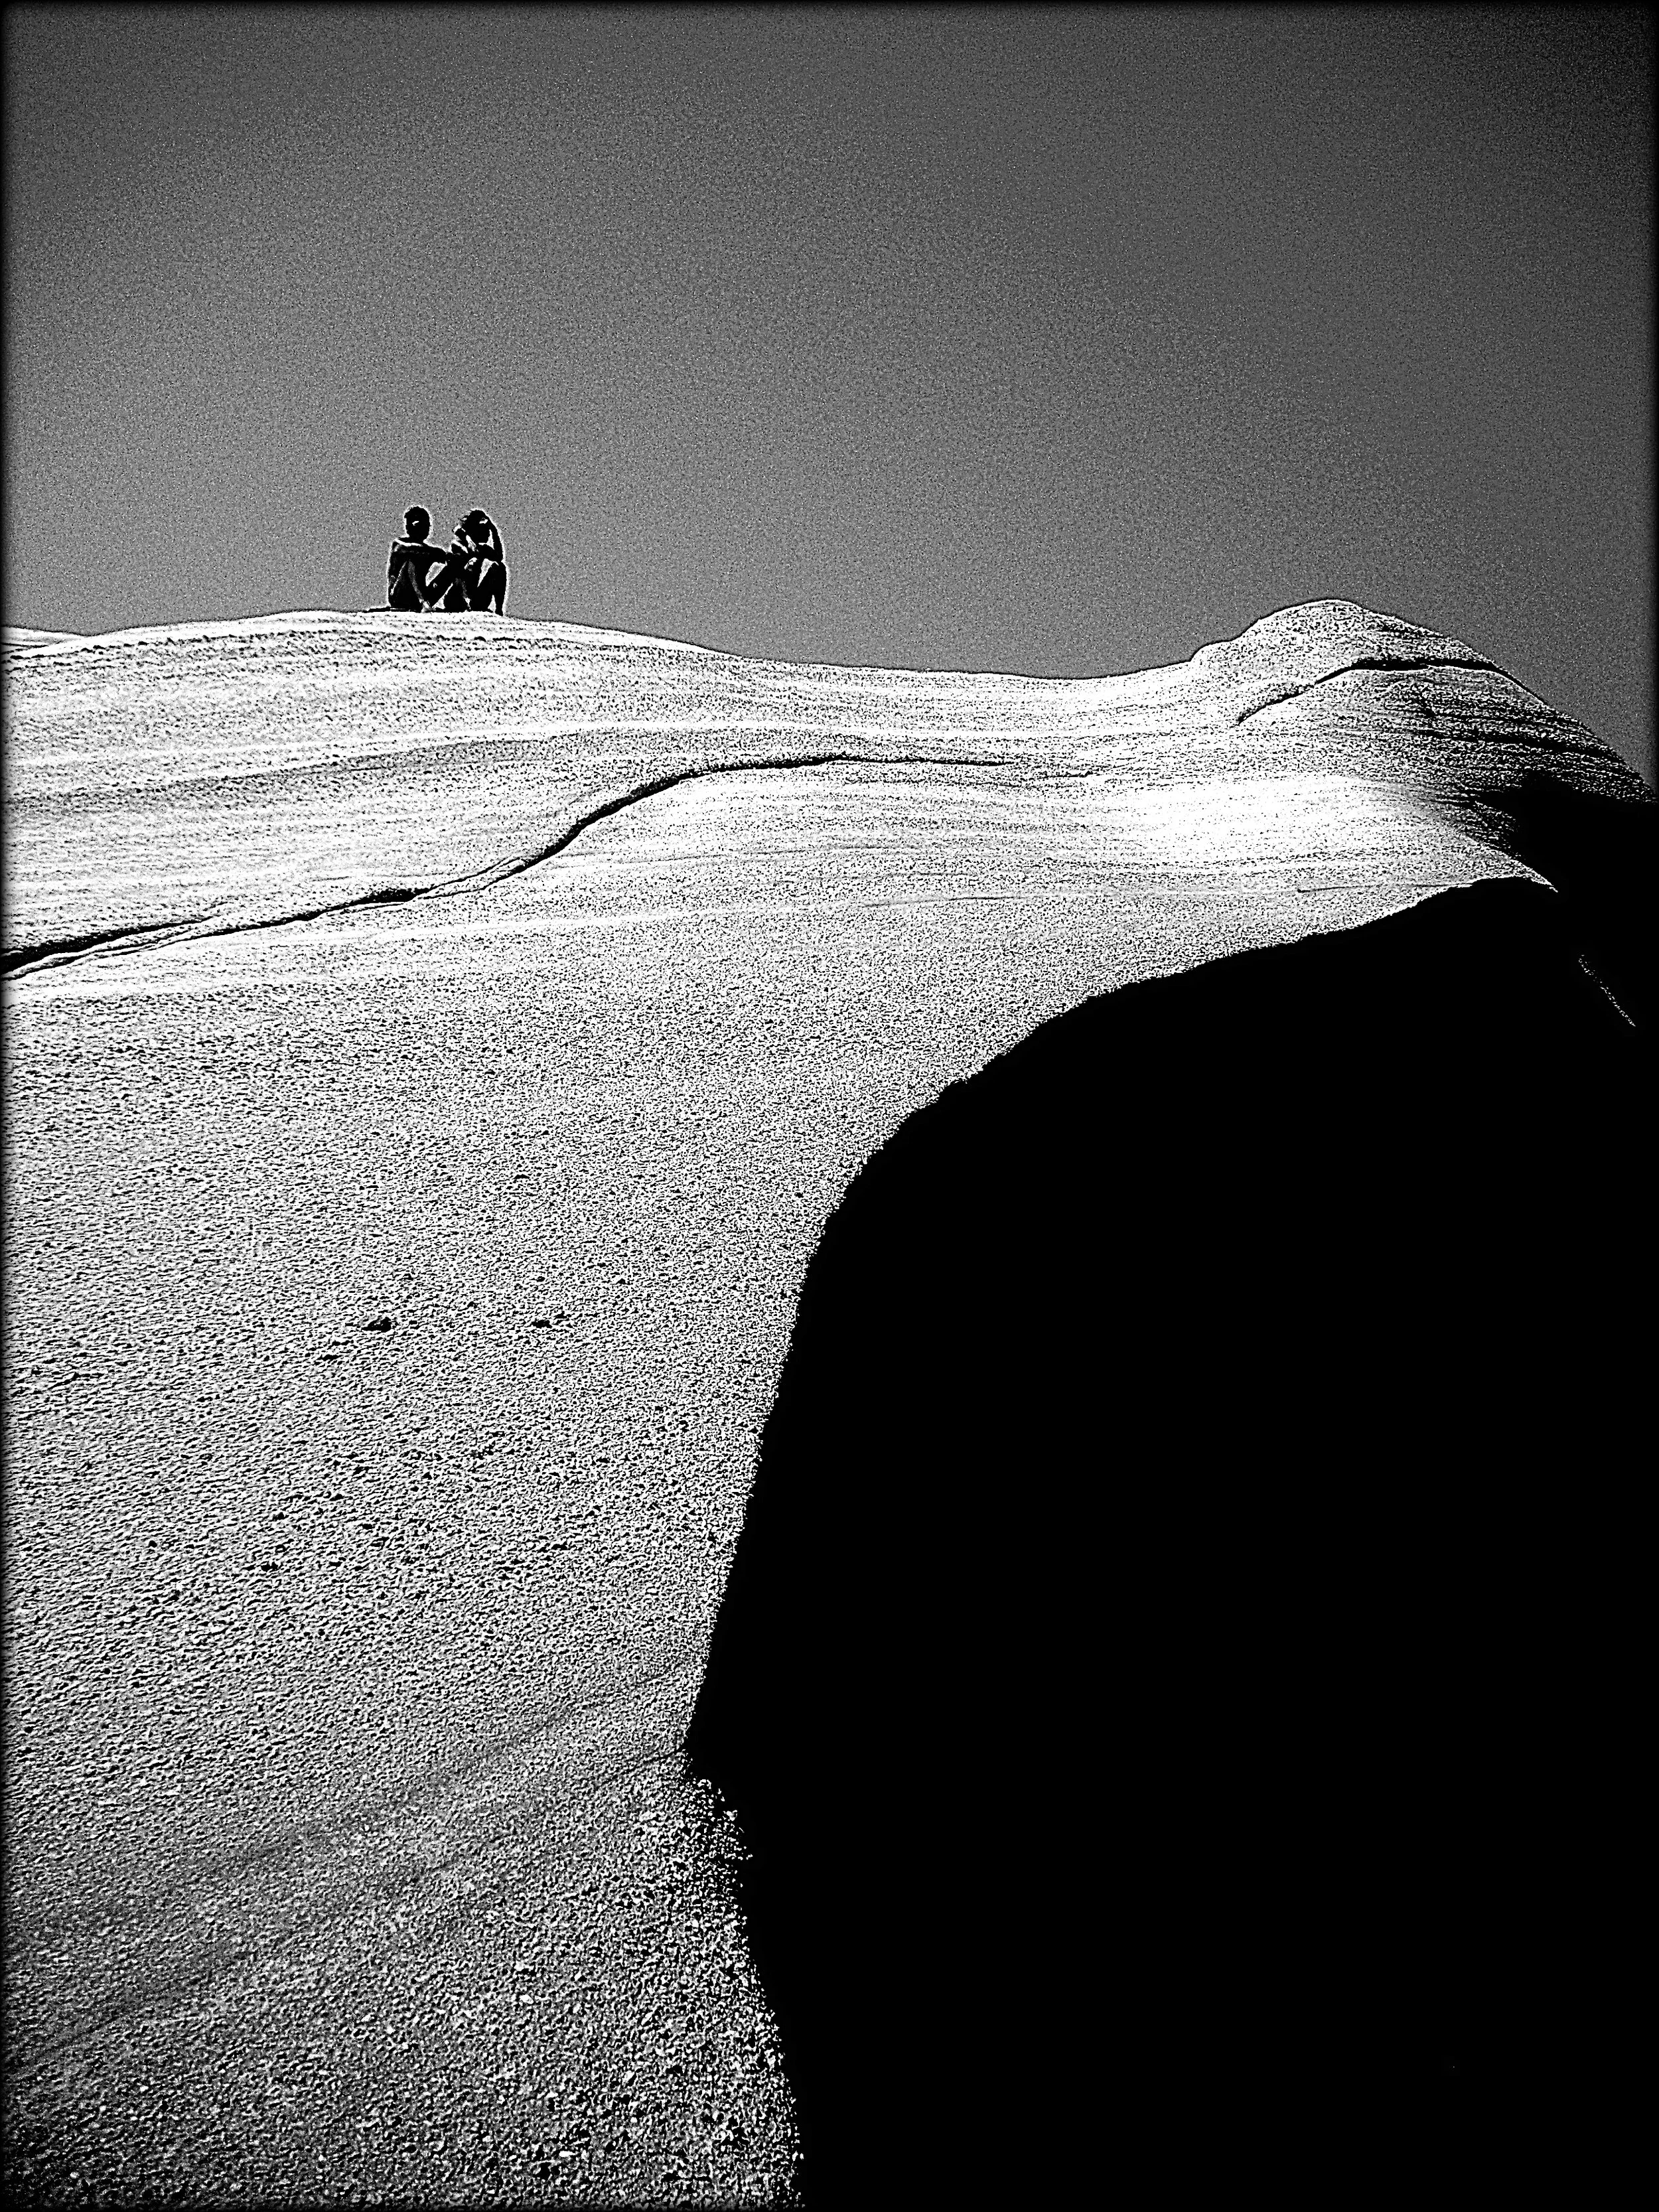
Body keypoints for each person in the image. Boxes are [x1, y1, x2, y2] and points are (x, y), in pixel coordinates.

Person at [386, 506, 448, 611]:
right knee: (412, 560)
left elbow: (447, 558)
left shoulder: (428, 551)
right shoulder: (399, 544)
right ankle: (423, 603)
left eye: (427, 526)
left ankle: (461, 599)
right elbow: (402, 549)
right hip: (399, 597)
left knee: (452, 567)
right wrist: (433, 552)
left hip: (423, 596)